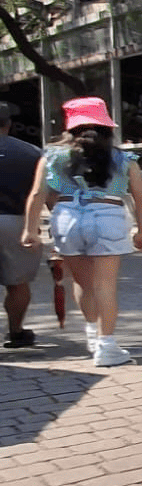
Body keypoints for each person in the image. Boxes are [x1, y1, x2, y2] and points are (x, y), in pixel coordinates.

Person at [20, 96, 142, 366]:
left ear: (70, 127)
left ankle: (92, 335)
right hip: (108, 216)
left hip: (66, 217)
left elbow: (36, 194)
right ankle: (107, 346)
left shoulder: (52, 155)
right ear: (107, 126)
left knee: (82, 283)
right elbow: (140, 196)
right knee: (105, 285)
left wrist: (30, 230)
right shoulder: (124, 158)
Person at [0, 103, 43, 349]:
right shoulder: (32, 152)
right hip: (19, 223)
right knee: (18, 283)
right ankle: (15, 332)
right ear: (9, 124)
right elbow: (45, 193)